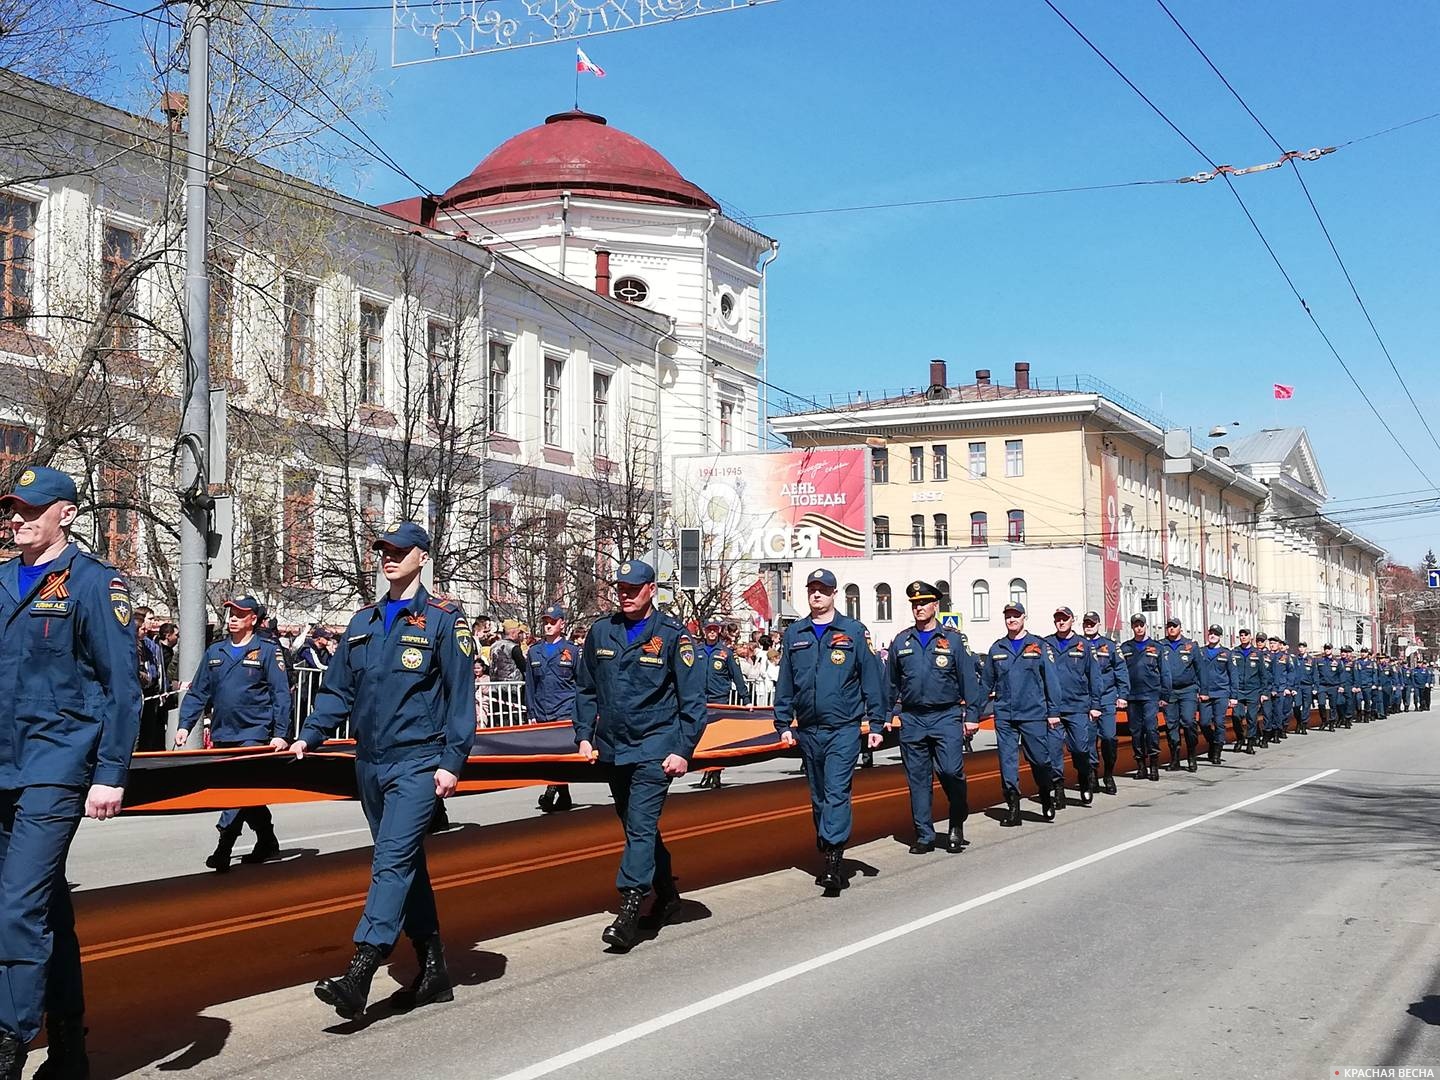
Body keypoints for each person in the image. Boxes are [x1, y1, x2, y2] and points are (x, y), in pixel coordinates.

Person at [293, 523, 476, 1019]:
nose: (388, 557)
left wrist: (452, 762)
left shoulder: (443, 619)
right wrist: (309, 734)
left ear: (422, 556)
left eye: (399, 551)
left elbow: (462, 697)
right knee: (405, 863)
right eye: (383, 550)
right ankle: (434, 967)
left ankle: (362, 969)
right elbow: (336, 692)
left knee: (390, 861)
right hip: (370, 760)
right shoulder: (363, 621)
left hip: (419, 760)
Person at [0, 466, 140, 1079]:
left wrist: (110, 772)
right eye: (12, 509)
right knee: (45, 908)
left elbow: (122, 688)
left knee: (15, 907)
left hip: (56, 763)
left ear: (67, 514)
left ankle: (8, 1041)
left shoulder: (92, 584)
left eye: (32, 508)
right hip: (4, 763)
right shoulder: (2, 580)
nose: (18, 518)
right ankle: (70, 1049)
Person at [573, 559, 706, 951]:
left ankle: (630, 906)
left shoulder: (671, 636)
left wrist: (683, 749)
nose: (626, 595)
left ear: (651, 589)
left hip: (655, 746)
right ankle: (667, 896)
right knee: (636, 826)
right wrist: (583, 734)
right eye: (621, 589)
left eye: (633, 588)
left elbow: (693, 701)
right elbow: (586, 689)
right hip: (614, 748)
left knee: (642, 825)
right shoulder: (601, 632)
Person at [773, 568, 886, 891]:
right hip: (808, 729)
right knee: (819, 795)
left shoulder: (852, 632)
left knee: (836, 792)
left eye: (823, 590)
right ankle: (828, 844)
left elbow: (871, 679)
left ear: (835, 594)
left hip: (843, 728)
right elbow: (786, 682)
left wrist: (876, 722)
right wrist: (783, 722)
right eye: (812, 590)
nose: (817, 595)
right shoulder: (796, 633)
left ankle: (833, 861)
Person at [176, 596, 292, 871]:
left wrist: (281, 733)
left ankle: (224, 846)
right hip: (224, 732)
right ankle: (266, 838)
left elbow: (280, 694)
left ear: (253, 619)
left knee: (236, 790)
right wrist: (185, 724)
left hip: (255, 732)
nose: (233, 618)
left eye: (240, 613)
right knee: (245, 791)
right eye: (231, 613)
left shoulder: (266, 650)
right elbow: (199, 691)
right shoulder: (216, 652)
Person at [885, 581, 979, 853]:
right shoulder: (902, 641)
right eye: (915, 604)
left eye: (924, 603)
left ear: (936, 605)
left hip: (946, 716)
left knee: (950, 770)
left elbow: (968, 680)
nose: (919, 607)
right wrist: (887, 713)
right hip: (913, 718)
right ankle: (924, 834)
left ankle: (956, 820)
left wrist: (971, 714)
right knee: (918, 779)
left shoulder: (952, 640)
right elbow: (890, 683)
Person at [981, 601, 1063, 825]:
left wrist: (1053, 711)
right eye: (1008, 616)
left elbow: (1051, 681)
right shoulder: (997, 648)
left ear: (1024, 617)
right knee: (1007, 763)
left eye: (1015, 615)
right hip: (1005, 715)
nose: (1011, 620)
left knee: (1040, 760)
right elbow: (986, 683)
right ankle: (1013, 808)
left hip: (1033, 713)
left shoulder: (1038, 646)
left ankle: (1046, 795)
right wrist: (972, 713)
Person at [1044, 606, 1101, 806]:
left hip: (1078, 706)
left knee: (1080, 749)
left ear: (1072, 620)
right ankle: (1058, 789)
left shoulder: (1083, 645)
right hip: (1054, 709)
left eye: (1064, 619)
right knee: (1053, 752)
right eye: (1057, 619)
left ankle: (1084, 779)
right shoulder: (1046, 644)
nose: (1061, 622)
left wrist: (1095, 705)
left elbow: (1094, 676)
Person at [526, 604, 579, 814]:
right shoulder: (534, 651)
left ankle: (550, 792)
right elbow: (529, 684)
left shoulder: (572, 651)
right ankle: (564, 796)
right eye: (545, 622)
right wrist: (531, 712)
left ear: (561, 623)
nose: (548, 626)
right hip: (542, 711)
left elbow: (581, 683)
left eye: (552, 622)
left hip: (565, 710)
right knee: (549, 756)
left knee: (560, 755)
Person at [695, 617, 751, 790]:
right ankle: (706, 770)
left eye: (714, 629)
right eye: (709, 629)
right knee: (702, 738)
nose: (712, 632)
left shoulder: (726, 652)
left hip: (719, 700)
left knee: (717, 739)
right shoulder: (697, 651)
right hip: (700, 700)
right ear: (704, 631)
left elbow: (737, 677)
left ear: (719, 631)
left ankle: (716, 772)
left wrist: (746, 699)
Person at [1080, 611, 1129, 795]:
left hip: (1107, 698)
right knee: (1089, 740)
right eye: (1086, 623)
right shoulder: (1078, 645)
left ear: (1098, 624)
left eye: (1092, 623)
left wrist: (1123, 694)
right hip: (1085, 700)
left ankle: (1108, 772)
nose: (1089, 626)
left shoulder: (1109, 646)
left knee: (1109, 737)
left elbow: (1121, 670)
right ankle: (1092, 773)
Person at [1120, 614, 1170, 782]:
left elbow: (1165, 672)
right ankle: (1141, 766)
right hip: (1132, 696)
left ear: (1146, 626)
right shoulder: (1125, 648)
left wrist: (1165, 694)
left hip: (1151, 695)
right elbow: (1120, 672)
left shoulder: (1157, 647)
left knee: (1151, 729)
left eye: (1141, 625)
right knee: (1135, 732)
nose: (1139, 628)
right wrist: (1122, 694)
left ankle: (1154, 765)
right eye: (1136, 625)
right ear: (1132, 627)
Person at [1159, 616, 1201, 772]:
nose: (1171, 629)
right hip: (1168, 692)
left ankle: (1191, 755)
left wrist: (1203, 691)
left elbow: (1200, 669)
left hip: (1188, 690)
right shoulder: (1161, 646)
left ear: (1180, 628)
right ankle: (1175, 758)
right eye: (1169, 626)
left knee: (1189, 722)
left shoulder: (1191, 645)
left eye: (1174, 626)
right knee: (1171, 726)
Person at [1195, 625, 1235, 764]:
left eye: (1216, 634)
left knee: (1219, 722)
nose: (1212, 636)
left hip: (1221, 692)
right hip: (1205, 693)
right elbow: (1195, 672)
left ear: (1220, 636)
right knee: (1204, 722)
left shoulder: (1227, 654)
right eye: (1211, 633)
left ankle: (1217, 751)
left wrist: (1233, 696)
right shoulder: (1200, 652)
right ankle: (1213, 742)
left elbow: (1232, 675)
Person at [1230, 629, 1264, 752]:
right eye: (1241, 635)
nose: (1243, 637)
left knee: (1251, 717)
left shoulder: (1257, 654)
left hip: (1253, 690)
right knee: (1236, 716)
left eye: (1246, 635)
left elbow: (1262, 674)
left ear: (1251, 637)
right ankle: (1240, 738)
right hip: (1238, 690)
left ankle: (1250, 742)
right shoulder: (1234, 652)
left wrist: (1263, 692)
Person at [1291, 642, 1316, 734]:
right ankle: (1299, 721)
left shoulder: (1311, 660)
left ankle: (1304, 724)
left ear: (1306, 648)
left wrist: (1315, 687)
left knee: (1306, 706)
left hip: (1307, 686)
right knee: (1297, 706)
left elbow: (1315, 674)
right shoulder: (1295, 659)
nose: (1301, 649)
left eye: (1303, 647)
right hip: (1297, 686)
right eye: (1300, 647)